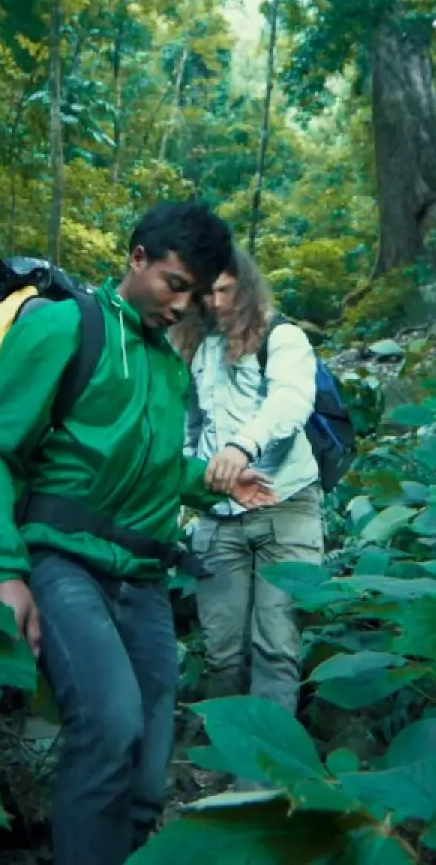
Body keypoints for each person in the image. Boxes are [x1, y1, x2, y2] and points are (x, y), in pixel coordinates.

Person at [0, 201, 277, 865]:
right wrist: (1, 570)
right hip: (65, 564)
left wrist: (209, 482)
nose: (182, 306)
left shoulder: (164, 365)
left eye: (196, 295)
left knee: (148, 772)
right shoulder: (69, 327)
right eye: (174, 284)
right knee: (109, 725)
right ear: (137, 260)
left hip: (145, 578)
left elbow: (144, 464)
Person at [171, 248, 323, 722]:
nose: (215, 302)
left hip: (287, 505)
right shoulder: (194, 345)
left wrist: (241, 448)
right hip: (217, 516)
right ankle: (221, 757)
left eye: (225, 290)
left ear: (246, 287)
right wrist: (187, 481)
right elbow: (188, 427)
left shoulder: (283, 336)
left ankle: (266, 771)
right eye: (207, 292)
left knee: (277, 645)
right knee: (221, 649)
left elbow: (290, 402)